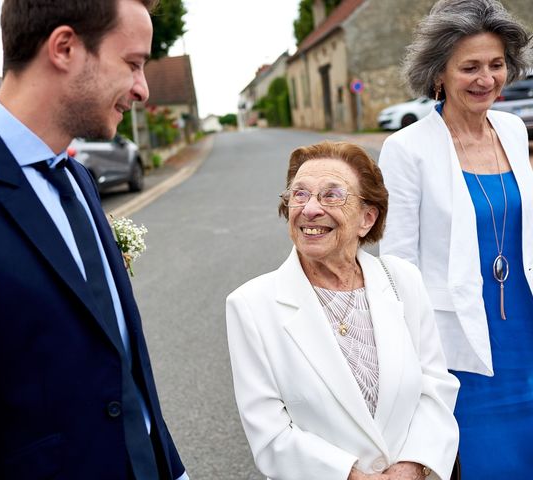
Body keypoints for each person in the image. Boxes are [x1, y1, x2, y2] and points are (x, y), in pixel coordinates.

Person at [0, 0, 189, 479]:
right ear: (65, 48)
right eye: (132, 63)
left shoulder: (77, 180)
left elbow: (122, 373)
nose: (142, 87)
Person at [226, 141, 459, 480]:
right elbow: (270, 435)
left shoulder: (403, 280)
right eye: (299, 194)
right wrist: (352, 476)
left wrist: (412, 465)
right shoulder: (251, 305)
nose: (310, 209)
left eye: (331, 195)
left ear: (367, 218)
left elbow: (436, 385)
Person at [378, 0, 533, 477]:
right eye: (470, 67)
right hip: (459, 344)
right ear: (438, 74)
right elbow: (397, 264)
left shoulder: (511, 128)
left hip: (524, 328)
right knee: (489, 462)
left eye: (496, 64)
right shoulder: (406, 149)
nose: (486, 78)